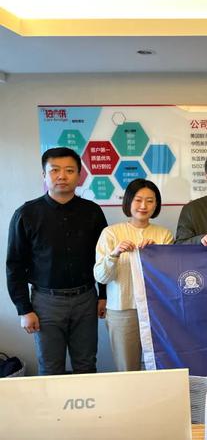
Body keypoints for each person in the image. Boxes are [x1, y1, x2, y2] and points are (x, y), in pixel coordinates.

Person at [6, 147, 107, 375]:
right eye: (55, 170)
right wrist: (24, 309)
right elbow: (14, 265)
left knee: (86, 365)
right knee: (50, 368)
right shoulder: (26, 214)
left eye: (69, 170)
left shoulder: (92, 212)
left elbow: (103, 257)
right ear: (44, 175)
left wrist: (103, 295)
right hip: (45, 303)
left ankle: (86, 402)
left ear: (79, 175)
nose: (62, 176)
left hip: (86, 299)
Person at [94, 179, 173, 371]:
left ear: (156, 205)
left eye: (150, 201)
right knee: (127, 368)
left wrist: (156, 255)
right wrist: (115, 254)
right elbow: (101, 277)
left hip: (157, 310)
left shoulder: (164, 235)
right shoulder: (110, 233)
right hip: (122, 310)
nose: (143, 206)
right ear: (128, 202)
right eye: (138, 200)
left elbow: (169, 278)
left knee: (159, 365)